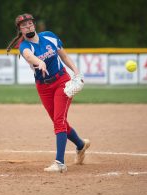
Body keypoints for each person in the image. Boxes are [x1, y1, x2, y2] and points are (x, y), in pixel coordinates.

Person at [6, 13, 90, 173]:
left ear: (34, 24)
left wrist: (77, 73)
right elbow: (30, 57)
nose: (28, 26)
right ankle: (81, 145)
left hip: (62, 81)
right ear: (20, 30)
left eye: (30, 23)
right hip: (43, 87)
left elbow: (64, 56)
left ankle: (60, 163)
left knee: (59, 120)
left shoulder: (50, 37)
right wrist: (40, 62)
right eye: (24, 25)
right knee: (59, 121)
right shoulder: (25, 46)